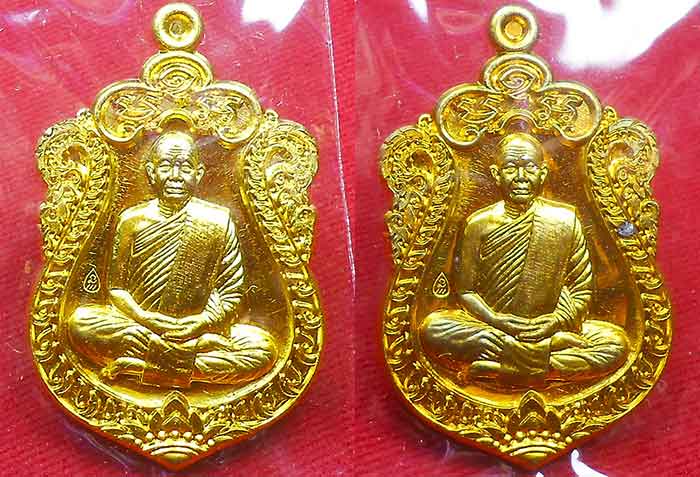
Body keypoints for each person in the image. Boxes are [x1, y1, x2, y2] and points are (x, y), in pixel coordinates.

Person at [67, 130, 277, 388]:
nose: (175, 176)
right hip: (142, 328)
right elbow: (117, 290)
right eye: (166, 166)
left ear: (199, 173)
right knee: (80, 323)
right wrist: (146, 318)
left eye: (185, 167)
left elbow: (230, 293)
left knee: (263, 349)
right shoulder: (131, 220)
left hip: (199, 331)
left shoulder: (217, 221)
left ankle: (142, 366)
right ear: (151, 172)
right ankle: (189, 365)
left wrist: (201, 323)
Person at [420, 133, 628, 384]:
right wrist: (496, 320)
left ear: (543, 173)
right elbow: (465, 291)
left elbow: (582, 290)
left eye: (530, 168)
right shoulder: (478, 224)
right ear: (496, 174)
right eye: (510, 168)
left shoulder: (565, 220)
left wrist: (555, 322)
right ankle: (545, 360)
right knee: (433, 328)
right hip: (495, 329)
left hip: (549, 328)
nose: (521, 177)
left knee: (616, 343)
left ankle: (509, 365)